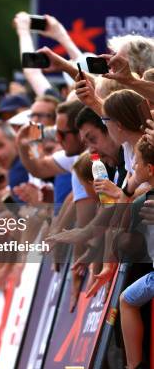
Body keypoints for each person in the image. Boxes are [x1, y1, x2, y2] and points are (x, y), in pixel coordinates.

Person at [119, 136, 154, 369]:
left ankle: (133, 365)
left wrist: (122, 195)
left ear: (150, 168)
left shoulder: (144, 201)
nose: (132, 167)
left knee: (127, 300)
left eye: (137, 162)